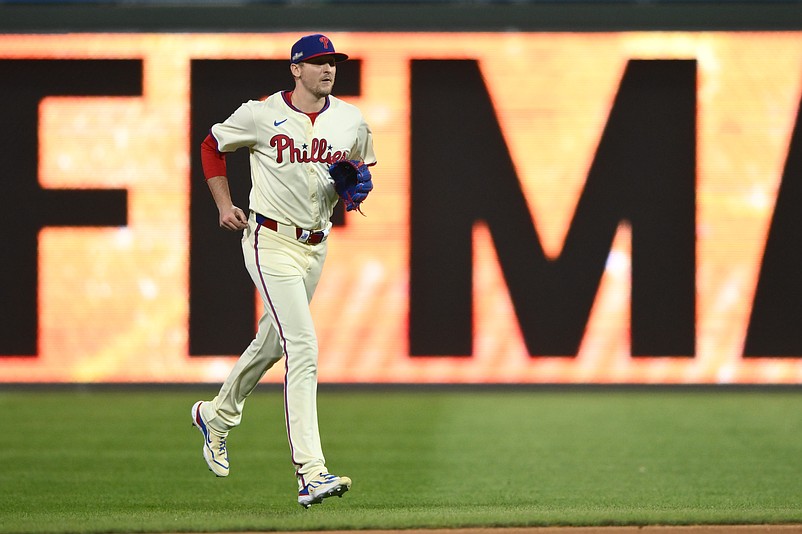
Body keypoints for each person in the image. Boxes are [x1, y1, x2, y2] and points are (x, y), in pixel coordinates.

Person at [191, 33, 376, 508]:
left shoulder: (350, 120)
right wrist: (223, 203)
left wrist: (354, 188)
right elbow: (212, 145)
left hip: (315, 245)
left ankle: (217, 414)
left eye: (332, 62)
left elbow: (358, 175)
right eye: (317, 63)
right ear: (296, 69)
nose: (328, 70)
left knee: (273, 341)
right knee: (303, 345)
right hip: (268, 239)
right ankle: (311, 474)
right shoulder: (260, 113)